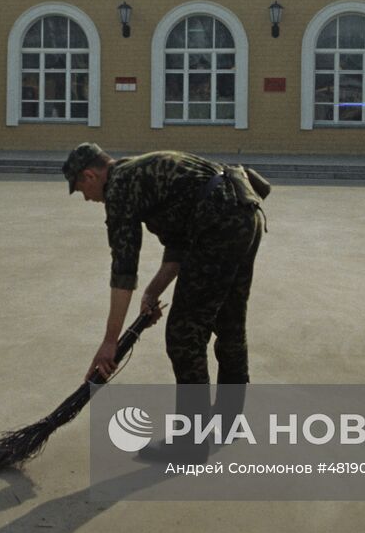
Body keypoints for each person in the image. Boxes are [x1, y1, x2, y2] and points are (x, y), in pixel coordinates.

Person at [63, 143, 267, 462]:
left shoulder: (120, 188)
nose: (87, 198)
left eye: (81, 189)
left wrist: (108, 342)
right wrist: (153, 291)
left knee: (185, 336)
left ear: (89, 175)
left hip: (218, 224)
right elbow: (178, 245)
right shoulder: (139, 171)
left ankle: (190, 445)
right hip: (244, 214)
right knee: (229, 325)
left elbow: (123, 272)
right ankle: (229, 421)